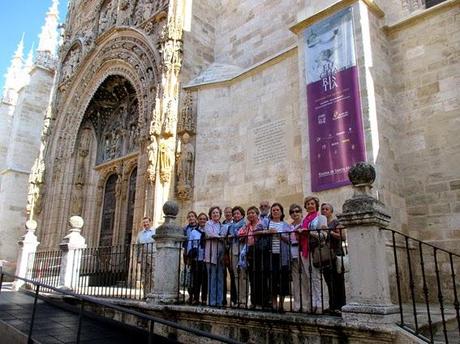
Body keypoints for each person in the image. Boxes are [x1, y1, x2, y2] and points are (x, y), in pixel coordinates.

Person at [299, 196, 328, 313]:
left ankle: (320, 304)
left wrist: (309, 232)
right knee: (309, 277)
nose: (310, 205)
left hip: (315, 249)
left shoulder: (321, 218)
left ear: (316, 205)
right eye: (308, 204)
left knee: (316, 277)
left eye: (312, 203)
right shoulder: (304, 220)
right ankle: (313, 303)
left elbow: (323, 235)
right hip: (304, 250)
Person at [320, 203, 346, 314]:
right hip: (325, 256)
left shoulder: (336, 222)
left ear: (331, 211)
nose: (324, 211)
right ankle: (332, 306)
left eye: (327, 209)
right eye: (323, 209)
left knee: (338, 281)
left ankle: (340, 306)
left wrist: (328, 231)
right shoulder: (320, 224)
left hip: (336, 254)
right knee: (329, 281)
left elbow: (342, 236)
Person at [265, 203, 290, 312]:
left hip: (282, 255)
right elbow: (257, 231)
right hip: (271, 255)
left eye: (277, 210)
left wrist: (279, 235)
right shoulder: (267, 223)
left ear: (281, 212)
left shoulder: (285, 225)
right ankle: (274, 304)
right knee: (273, 279)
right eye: (273, 210)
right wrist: (267, 232)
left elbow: (289, 240)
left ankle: (281, 304)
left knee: (283, 279)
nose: (275, 212)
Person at [238, 206, 261, 309]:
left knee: (259, 277)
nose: (251, 215)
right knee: (252, 276)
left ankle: (260, 302)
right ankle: (253, 302)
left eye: (253, 213)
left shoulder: (261, 224)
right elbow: (239, 233)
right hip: (250, 251)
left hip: (260, 251)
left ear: (257, 214)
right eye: (249, 213)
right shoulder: (247, 226)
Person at [204, 206, 227, 306]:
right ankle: (212, 301)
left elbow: (222, 236)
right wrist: (219, 236)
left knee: (220, 279)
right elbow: (209, 234)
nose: (215, 214)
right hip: (210, 255)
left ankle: (219, 301)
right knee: (212, 279)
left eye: (217, 213)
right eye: (213, 212)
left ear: (220, 214)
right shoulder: (208, 223)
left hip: (220, 255)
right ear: (210, 214)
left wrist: (217, 236)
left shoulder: (223, 226)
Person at [288, 203, 309, 312]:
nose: (295, 213)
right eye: (292, 212)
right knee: (295, 280)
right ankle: (297, 304)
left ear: (301, 213)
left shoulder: (305, 224)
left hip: (303, 251)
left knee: (305, 278)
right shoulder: (289, 226)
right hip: (293, 253)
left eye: (297, 211)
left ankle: (306, 304)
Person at [187, 212, 208, 305]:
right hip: (196, 259)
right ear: (198, 220)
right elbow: (189, 245)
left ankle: (204, 299)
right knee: (196, 280)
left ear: (207, 220)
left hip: (206, 259)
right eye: (201, 219)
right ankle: (196, 298)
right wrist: (190, 256)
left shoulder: (209, 231)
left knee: (205, 280)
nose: (202, 220)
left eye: (204, 219)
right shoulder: (193, 232)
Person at [228, 206, 246, 306]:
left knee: (243, 275)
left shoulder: (245, 224)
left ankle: (243, 299)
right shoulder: (231, 226)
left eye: (237, 213)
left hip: (243, 250)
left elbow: (242, 236)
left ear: (242, 215)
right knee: (235, 275)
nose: (235, 215)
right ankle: (239, 299)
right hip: (234, 249)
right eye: (234, 214)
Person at [136, 216, 155, 297]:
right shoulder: (140, 234)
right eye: (144, 222)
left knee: (153, 275)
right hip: (144, 255)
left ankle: (152, 293)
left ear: (150, 222)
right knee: (144, 275)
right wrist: (138, 257)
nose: (145, 224)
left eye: (147, 222)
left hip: (153, 255)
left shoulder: (155, 232)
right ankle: (145, 294)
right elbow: (137, 246)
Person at [183, 211, 198, 303]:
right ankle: (190, 295)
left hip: (197, 254)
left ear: (195, 217)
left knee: (196, 276)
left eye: (192, 216)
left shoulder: (199, 227)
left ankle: (196, 296)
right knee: (189, 275)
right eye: (189, 216)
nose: (191, 218)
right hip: (188, 254)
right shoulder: (185, 229)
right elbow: (184, 242)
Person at [221, 207, 235, 306]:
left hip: (232, 251)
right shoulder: (222, 224)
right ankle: (223, 299)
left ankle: (234, 299)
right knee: (222, 276)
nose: (228, 214)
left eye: (230, 212)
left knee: (233, 275)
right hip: (223, 251)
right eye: (226, 212)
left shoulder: (235, 224)